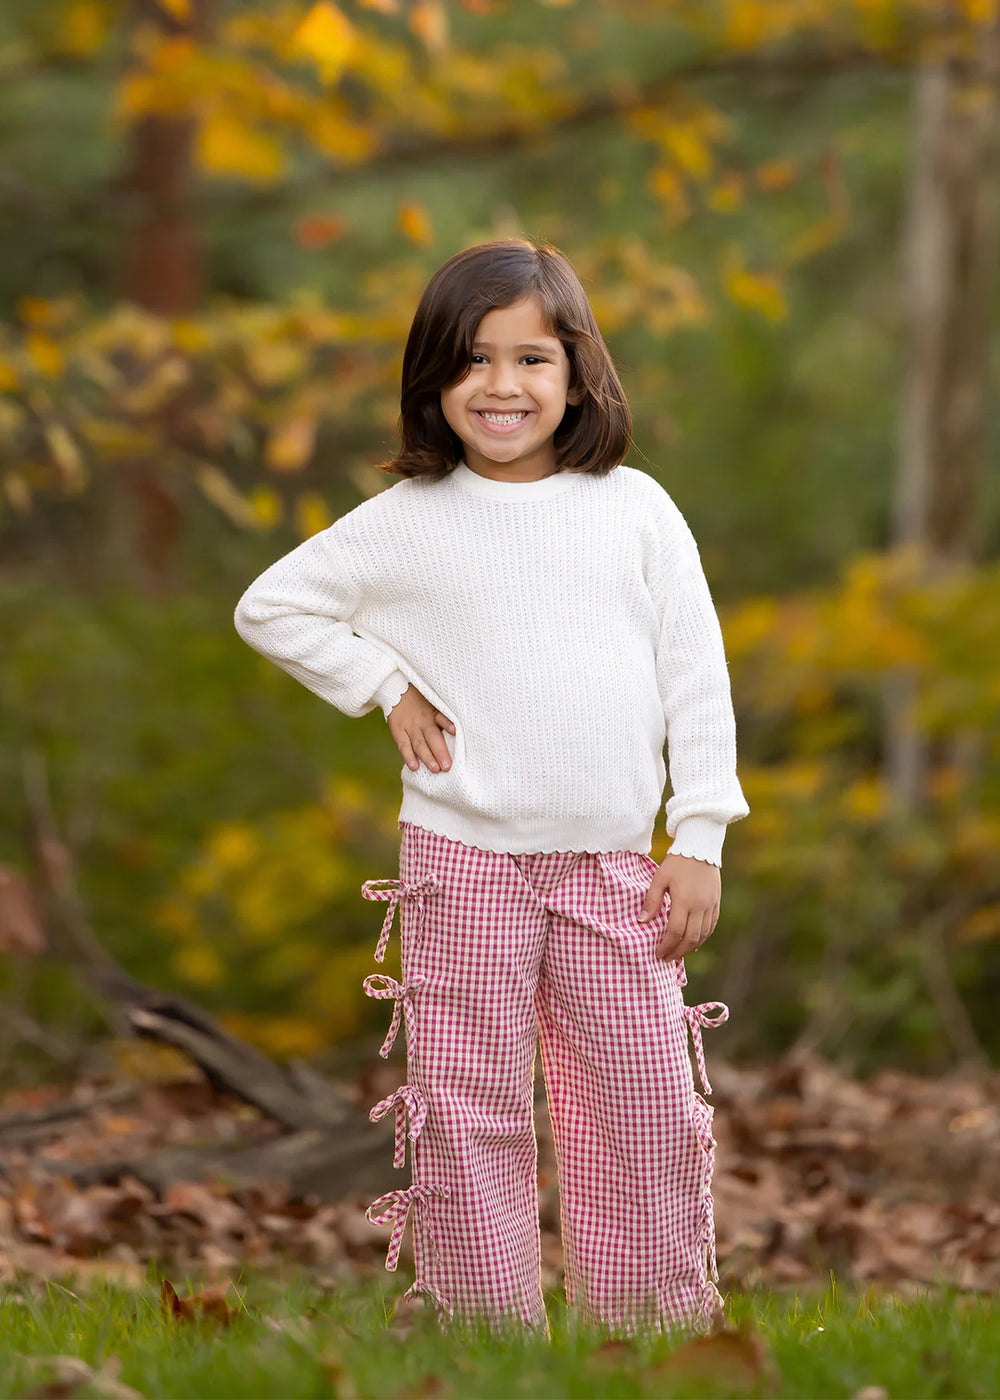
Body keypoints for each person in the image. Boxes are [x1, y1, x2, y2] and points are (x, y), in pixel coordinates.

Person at [233, 238, 749, 1338]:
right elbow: (270, 606)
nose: (500, 385)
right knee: (470, 1113)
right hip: (461, 860)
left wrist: (699, 833)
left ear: (578, 376)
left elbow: (696, 676)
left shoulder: (634, 508)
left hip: (615, 862)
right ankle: (487, 1339)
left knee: (645, 1105)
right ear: (433, 379)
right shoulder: (409, 521)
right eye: (472, 359)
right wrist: (385, 685)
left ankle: (648, 1333)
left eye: (530, 359)